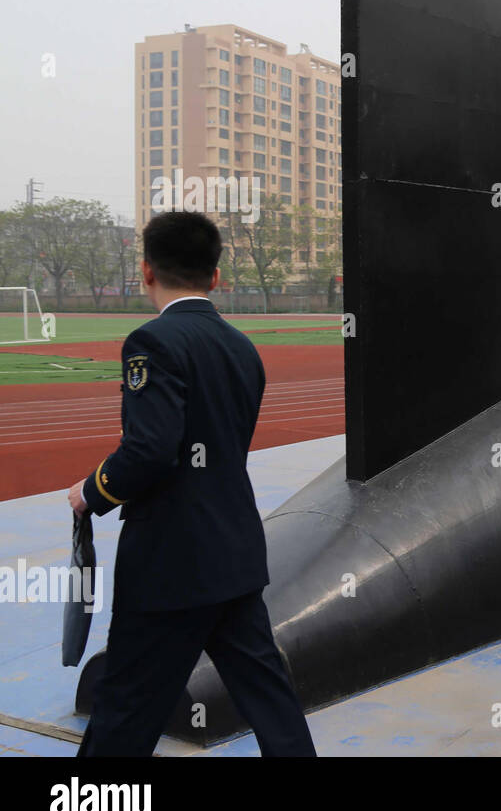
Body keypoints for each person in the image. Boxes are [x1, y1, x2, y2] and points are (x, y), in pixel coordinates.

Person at [69, 211, 316, 757]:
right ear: (217, 276)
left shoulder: (151, 342)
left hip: (170, 564)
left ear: (145, 271)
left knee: (126, 707)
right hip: (234, 554)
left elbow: (151, 450)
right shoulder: (241, 347)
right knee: (270, 700)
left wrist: (91, 492)